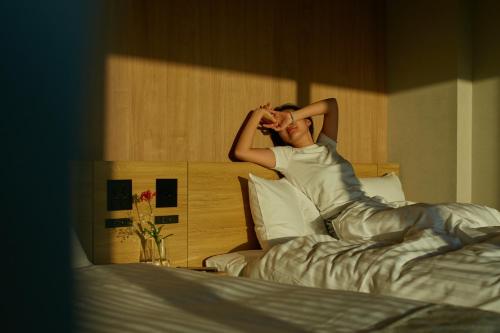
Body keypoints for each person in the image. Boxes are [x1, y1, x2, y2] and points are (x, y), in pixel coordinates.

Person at [234, 98, 500, 244]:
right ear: (276, 133)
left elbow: (331, 105)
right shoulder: (287, 157)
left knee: (454, 213)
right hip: (349, 220)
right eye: (280, 124)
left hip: (373, 207)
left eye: (295, 118)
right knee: (434, 217)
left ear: (307, 121)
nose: (288, 124)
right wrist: (258, 116)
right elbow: (241, 152)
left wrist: (289, 115)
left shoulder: (327, 148)